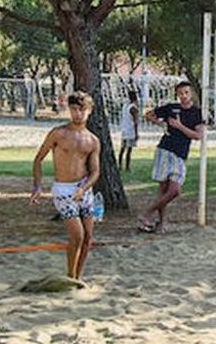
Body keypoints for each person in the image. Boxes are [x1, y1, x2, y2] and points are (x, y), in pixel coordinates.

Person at [31, 91, 104, 283]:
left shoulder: (93, 140)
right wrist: (38, 186)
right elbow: (38, 159)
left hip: (84, 189)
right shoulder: (58, 133)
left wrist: (84, 188)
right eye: (74, 109)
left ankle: (77, 277)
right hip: (63, 190)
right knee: (77, 235)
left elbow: (96, 172)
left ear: (89, 111)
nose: (78, 114)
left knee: (88, 236)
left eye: (82, 110)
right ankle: (70, 276)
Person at [137, 81, 205, 233]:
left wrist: (179, 126)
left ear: (191, 93)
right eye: (180, 93)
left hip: (180, 154)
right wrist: (160, 123)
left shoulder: (197, 112)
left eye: (186, 92)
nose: (184, 96)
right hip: (165, 150)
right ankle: (161, 223)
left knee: (175, 190)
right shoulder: (171, 108)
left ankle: (147, 212)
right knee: (163, 190)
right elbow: (148, 114)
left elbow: (197, 135)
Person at [116, 93, 139, 174]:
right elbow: (136, 122)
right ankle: (127, 167)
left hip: (124, 130)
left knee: (122, 149)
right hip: (130, 131)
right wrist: (136, 133)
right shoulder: (133, 108)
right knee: (129, 150)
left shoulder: (125, 106)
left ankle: (119, 166)